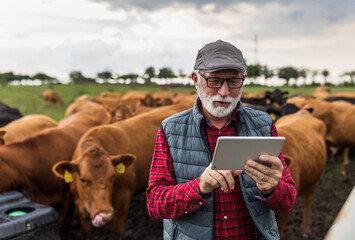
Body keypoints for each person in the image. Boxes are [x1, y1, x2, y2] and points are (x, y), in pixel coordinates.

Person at [146, 40, 297, 240]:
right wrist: (199, 187)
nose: (224, 92)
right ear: (195, 79)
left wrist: (272, 189)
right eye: (214, 81)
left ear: (243, 79)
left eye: (234, 81)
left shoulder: (263, 125)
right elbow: (155, 204)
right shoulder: (171, 129)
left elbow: (288, 202)